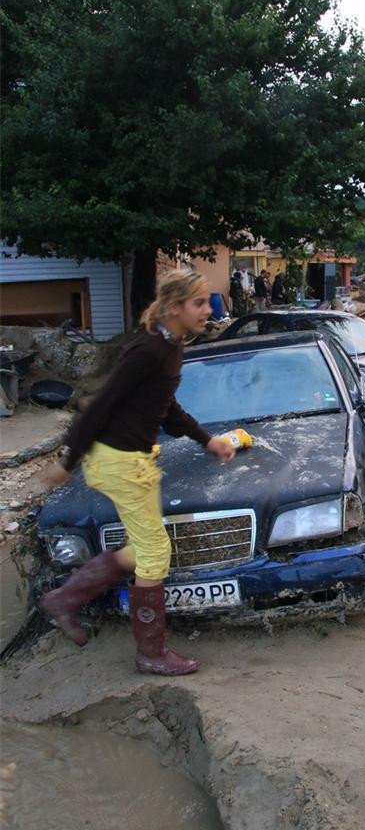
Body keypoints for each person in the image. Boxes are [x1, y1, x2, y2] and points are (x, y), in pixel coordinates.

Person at [39, 268, 237, 676]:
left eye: (208, 301)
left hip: (134, 461)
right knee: (155, 554)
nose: (208, 310)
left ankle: (64, 598)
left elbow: (166, 406)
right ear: (173, 307)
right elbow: (102, 403)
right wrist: (67, 461)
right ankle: (150, 653)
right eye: (199, 303)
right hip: (119, 462)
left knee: (141, 549)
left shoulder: (171, 344)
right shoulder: (148, 349)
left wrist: (207, 439)